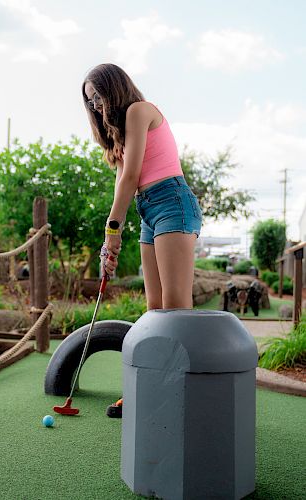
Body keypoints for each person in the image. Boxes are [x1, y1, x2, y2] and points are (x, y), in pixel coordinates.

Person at [82, 63, 203, 418]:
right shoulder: (119, 135)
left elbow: (133, 174)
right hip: (149, 210)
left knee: (176, 304)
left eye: (99, 97)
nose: (96, 106)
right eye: (90, 102)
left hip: (173, 202)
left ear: (115, 88)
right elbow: (124, 183)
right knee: (155, 308)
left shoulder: (139, 111)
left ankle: (185, 392)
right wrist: (110, 241)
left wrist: (113, 231)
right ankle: (151, 390)